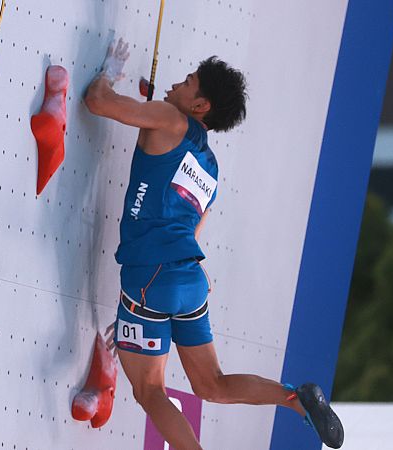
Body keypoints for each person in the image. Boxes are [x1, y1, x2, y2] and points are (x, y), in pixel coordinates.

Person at [84, 39, 344, 449]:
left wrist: (109, 72)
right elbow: (192, 230)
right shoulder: (210, 166)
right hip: (189, 282)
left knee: (150, 391)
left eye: (187, 82)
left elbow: (98, 102)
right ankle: (294, 398)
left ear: (200, 105)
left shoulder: (170, 118)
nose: (176, 85)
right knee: (212, 385)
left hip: (150, 277)